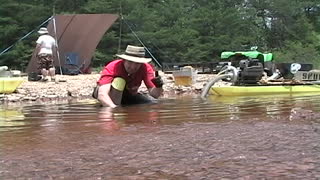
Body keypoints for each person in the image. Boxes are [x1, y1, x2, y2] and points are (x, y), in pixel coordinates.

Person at [93, 45, 164, 108]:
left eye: (137, 63)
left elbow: (154, 95)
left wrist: (158, 86)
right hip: (110, 93)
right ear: (124, 60)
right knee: (119, 81)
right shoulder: (113, 67)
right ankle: (115, 104)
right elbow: (102, 94)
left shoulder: (145, 68)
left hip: (129, 94)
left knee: (153, 102)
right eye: (130, 62)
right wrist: (114, 109)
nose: (133, 67)